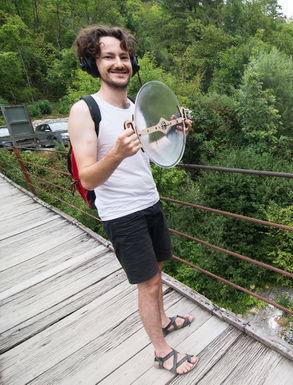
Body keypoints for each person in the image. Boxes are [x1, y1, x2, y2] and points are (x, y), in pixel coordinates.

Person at [68, 25, 197, 375]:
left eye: (124, 56)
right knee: (148, 282)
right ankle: (161, 351)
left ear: (133, 61)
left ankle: (165, 320)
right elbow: (88, 176)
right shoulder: (84, 111)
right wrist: (116, 155)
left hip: (149, 201)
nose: (118, 63)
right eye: (108, 56)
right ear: (93, 63)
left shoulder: (137, 108)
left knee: (157, 271)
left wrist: (173, 131)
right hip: (122, 213)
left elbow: (151, 152)